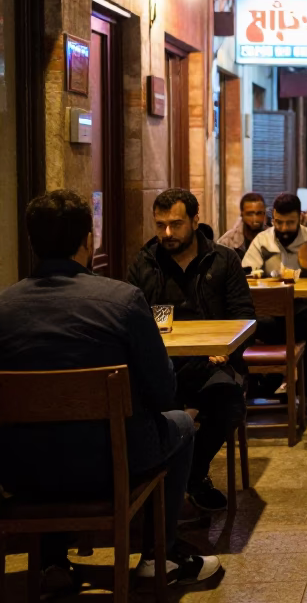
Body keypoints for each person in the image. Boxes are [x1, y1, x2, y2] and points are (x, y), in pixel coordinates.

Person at [0, 190, 222, 588]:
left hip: (21, 470)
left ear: (32, 241)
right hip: (112, 463)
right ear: (89, 240)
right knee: (182, 425)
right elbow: (161, 388)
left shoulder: (4, 308)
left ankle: (53, 562)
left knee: (49, 440)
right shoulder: (122, 300)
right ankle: (159, 556)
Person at [127, 189, 253, 513]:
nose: (167, 233)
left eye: (176, 224)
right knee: (149, 410)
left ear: (195, 221)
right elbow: (130, 321)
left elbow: (243, 315)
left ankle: (193, 476)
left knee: (228, 404)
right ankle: (164, 487)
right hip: (162, 365)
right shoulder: (144, 263)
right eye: (160, 225)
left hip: (213, 361)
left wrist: (227, 350)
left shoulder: (223, 260)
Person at [242, 191, 307, 411]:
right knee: (245, 325)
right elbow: (246, 273)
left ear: (300, 218)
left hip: (306, 311)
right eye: (279, 222)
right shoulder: (263, 241)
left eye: (290, 223)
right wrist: (260, 276)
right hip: (271, 315)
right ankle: (254, 389)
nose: (284, 228)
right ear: (273, 218)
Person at [217, 191, 269, 256]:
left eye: (259, 213)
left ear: (264, 214)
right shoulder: (227, 242)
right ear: (242, 214)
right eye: (250, 214)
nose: (255, 219)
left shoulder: (274, 239)